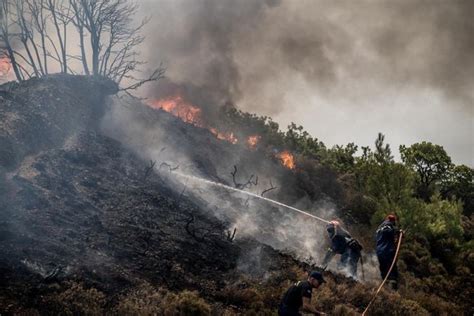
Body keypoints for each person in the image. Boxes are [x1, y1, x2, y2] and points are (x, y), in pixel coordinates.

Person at [375, 214, 401, 290]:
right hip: (387, 250)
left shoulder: (378, 229)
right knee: (392, 270)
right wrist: (398, 231)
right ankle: (393, 291)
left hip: (379, 251)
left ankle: (385, 289)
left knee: (384, 270)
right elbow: (388, 231)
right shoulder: (388, 225)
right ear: (392, 221)